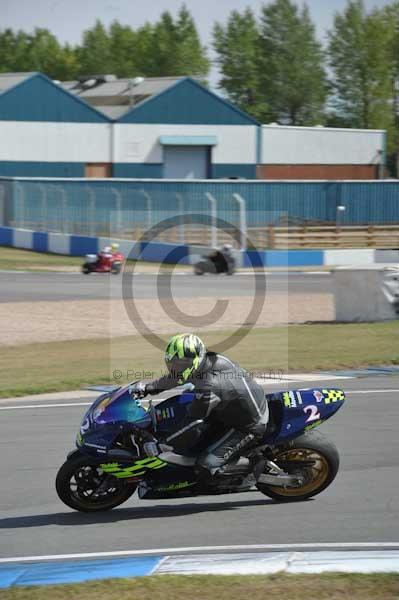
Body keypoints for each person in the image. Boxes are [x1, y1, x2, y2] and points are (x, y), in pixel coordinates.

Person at [130, 333, 269, 474]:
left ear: (193, 361)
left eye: (178, 364)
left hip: (248, 425)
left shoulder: (209, 384)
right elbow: (177, 378)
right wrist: (148, 389)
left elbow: (195, 420)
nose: (174, 368)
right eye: (172, 363)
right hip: (231, 409)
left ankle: (255, 466)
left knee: (206, 466)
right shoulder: (206, 361)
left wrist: (163, 444)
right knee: (184, 401)